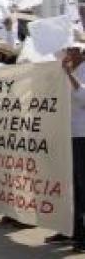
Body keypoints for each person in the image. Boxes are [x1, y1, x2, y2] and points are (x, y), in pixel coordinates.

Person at [45, 39, 85, 251]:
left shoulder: (78, 71)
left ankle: (82, 236)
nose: (68, 53)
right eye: (67, 49)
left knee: (81, 186)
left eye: (73, 49)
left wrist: (69, 75)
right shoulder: (63, 69)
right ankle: (69, 229)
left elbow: (83, 97)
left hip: (81, 136)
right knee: (67, 186)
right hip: (63, 135)